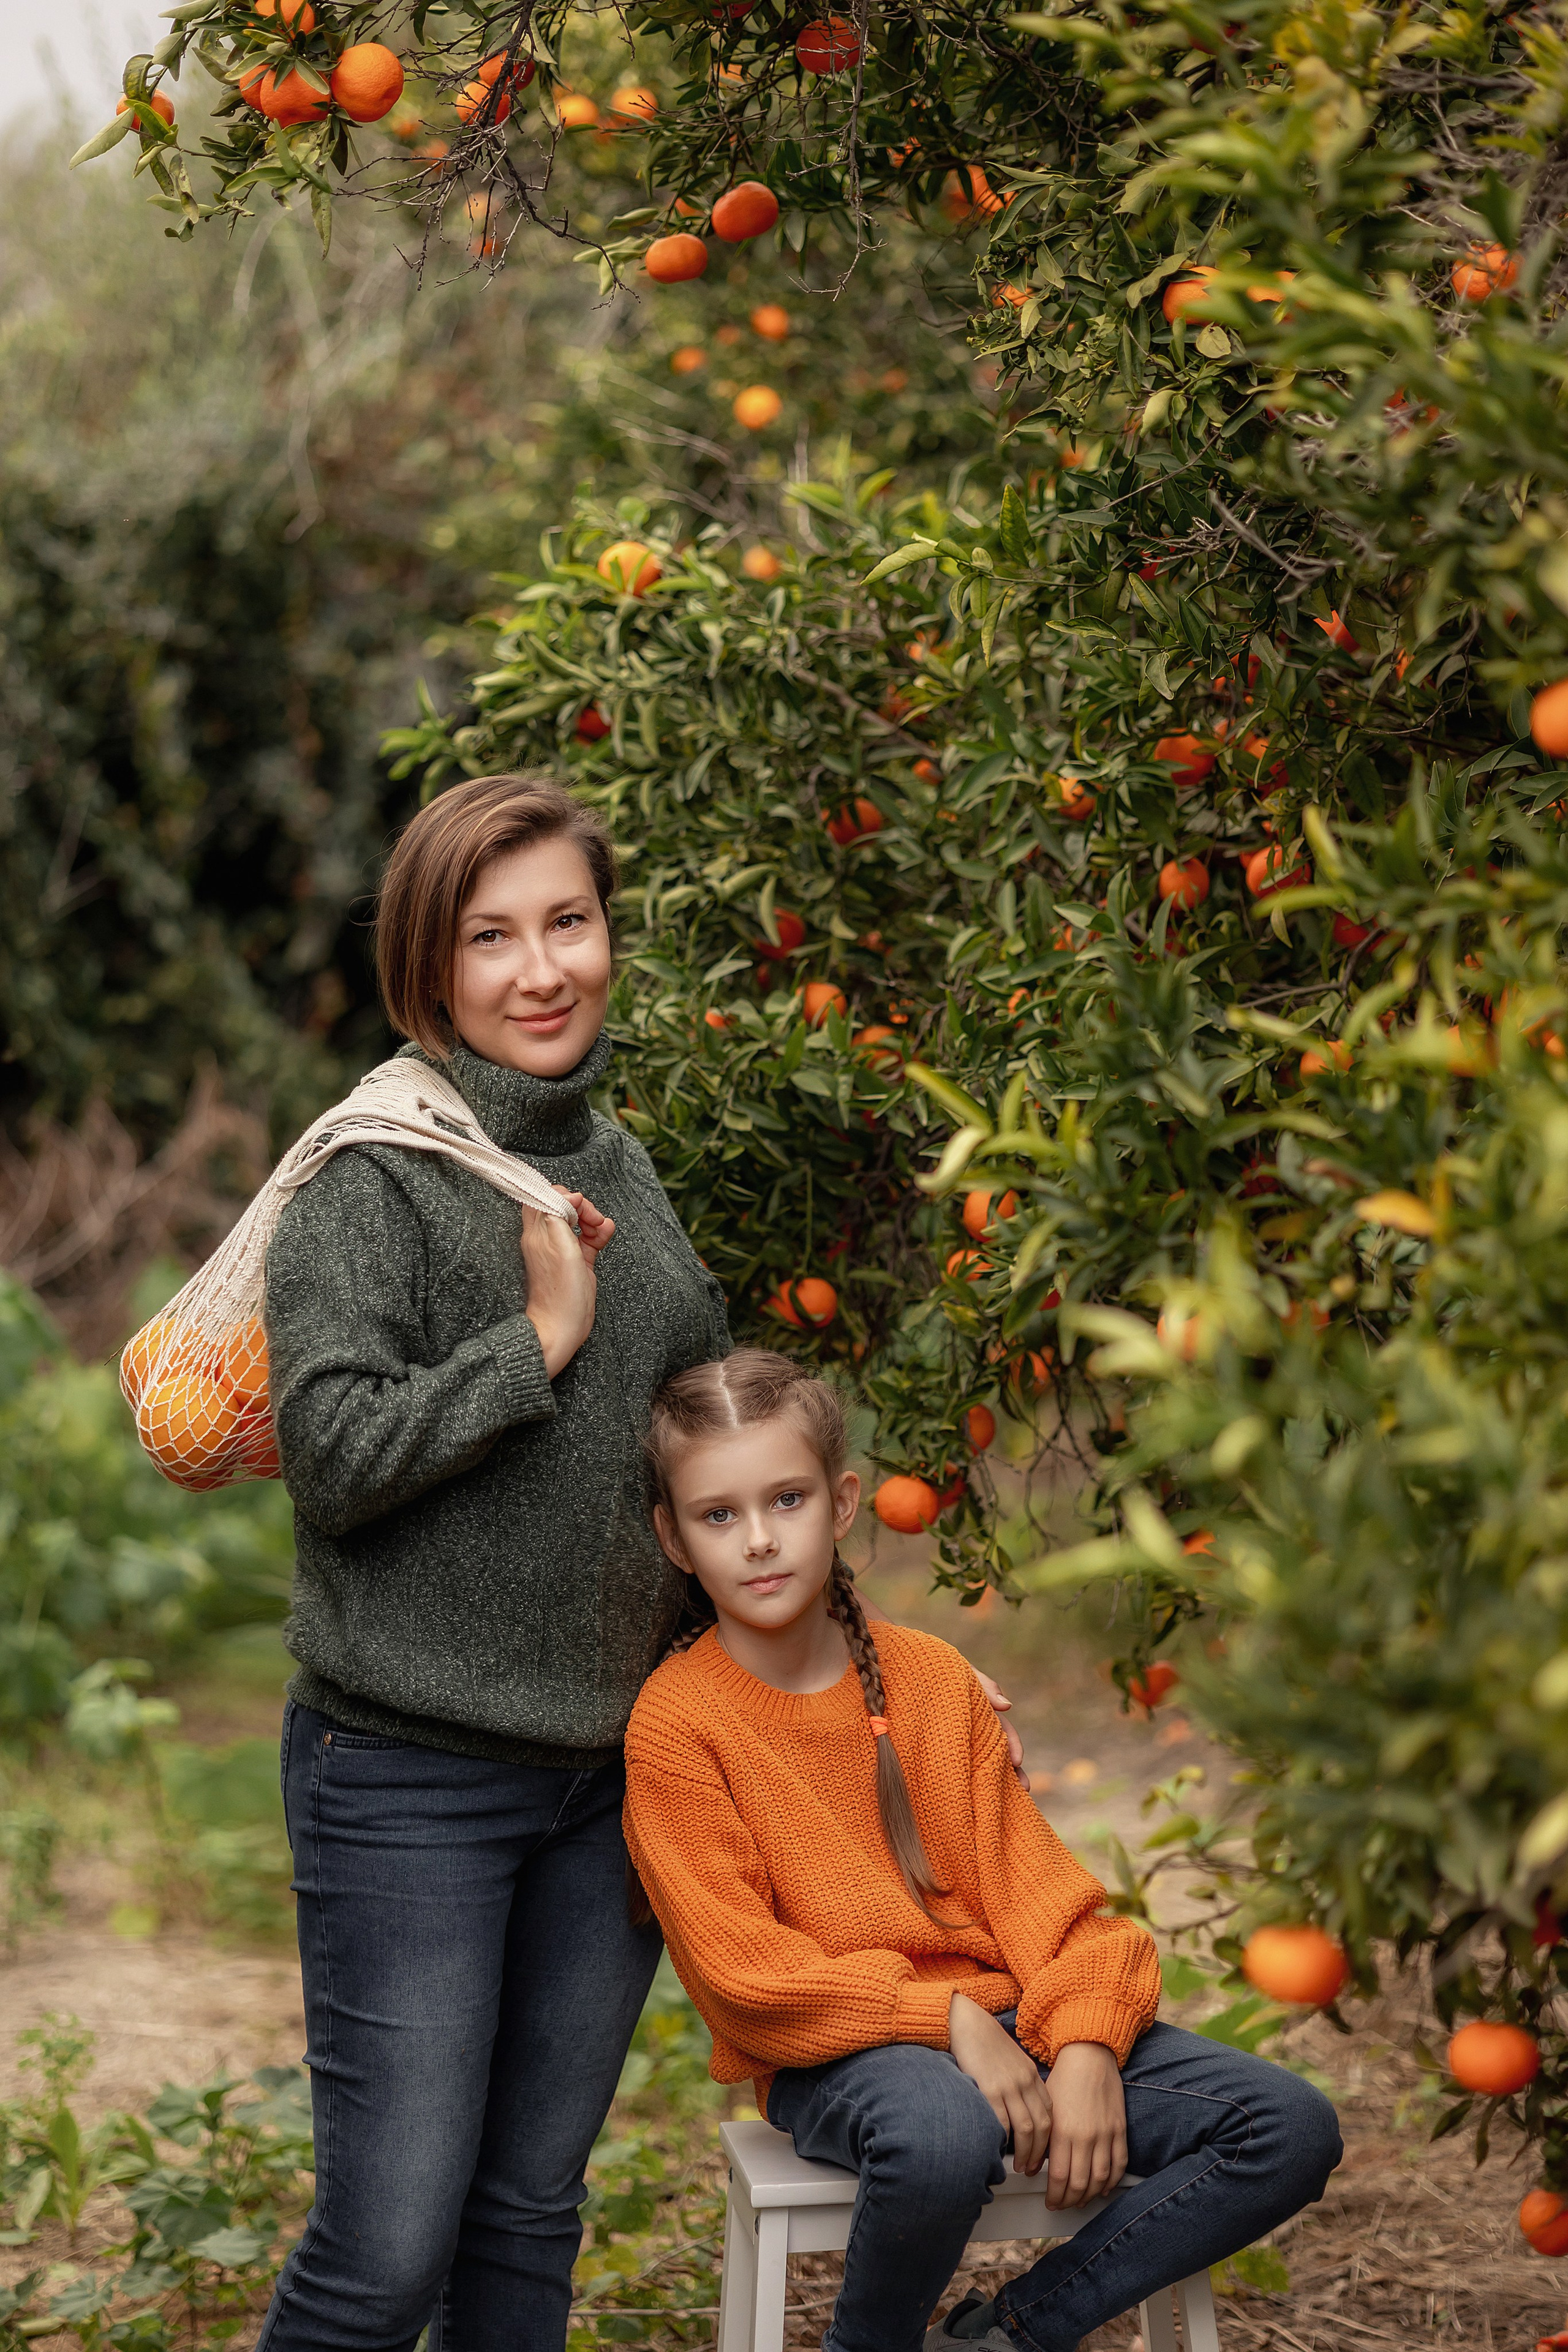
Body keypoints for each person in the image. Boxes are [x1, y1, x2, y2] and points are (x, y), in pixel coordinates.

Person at [256, 774, 1022, 2352]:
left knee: (528, 2215)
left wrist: (885, 1666)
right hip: (408, 1772)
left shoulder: (619, 1164)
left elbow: (715, 1481)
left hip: (612, 1780)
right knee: (389, 2247)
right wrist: (536, 1340)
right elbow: (330, 1464)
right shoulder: (368, 1179)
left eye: (569, 923)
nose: (542, 970)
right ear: (429, 966)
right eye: (492, 937)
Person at [624, 1349, 1344, 2352]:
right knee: (942, 2133)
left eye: (785, 1500)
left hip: (1018, 2022)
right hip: (836, 2051)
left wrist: (1088, 2042)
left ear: (840, 1503)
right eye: (718, 1515)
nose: (757, 1541)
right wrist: (949, 2017)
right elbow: (748, 1980)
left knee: (1288, 2128)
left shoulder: (931, 1682)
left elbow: (1042, 1895)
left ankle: (1007, 2336)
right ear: (673, 1536)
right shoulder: (679, 1725)